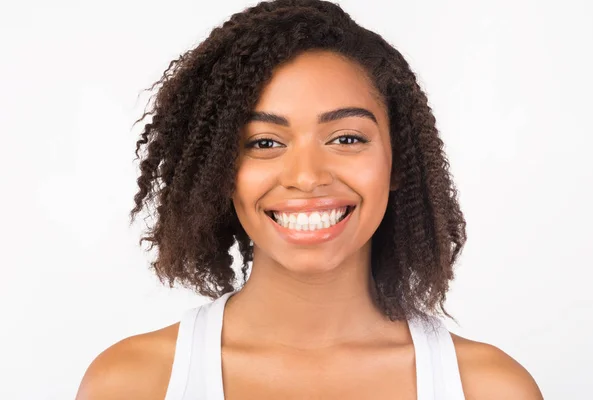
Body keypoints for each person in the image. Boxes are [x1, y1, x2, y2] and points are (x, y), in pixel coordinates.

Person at [76, 0, 543, 399]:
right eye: (264, 142)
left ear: (398, 161)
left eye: (345, 138)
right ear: (221, 171)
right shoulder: (133, 384)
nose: (307, 177)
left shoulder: (489, 388)